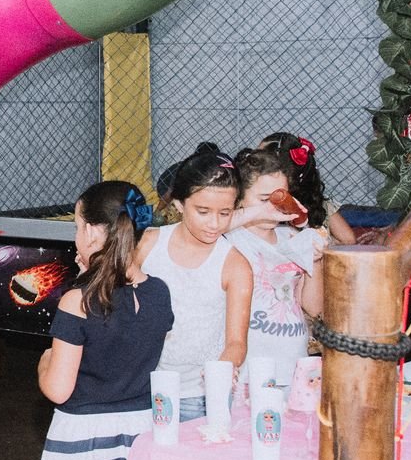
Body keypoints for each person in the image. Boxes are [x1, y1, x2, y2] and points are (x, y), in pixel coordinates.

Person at [32, 181, 172, 460]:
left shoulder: (78, 301)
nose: (76, 236)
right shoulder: (160, 293)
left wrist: (44, 360)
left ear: (94, 233)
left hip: (83, 437)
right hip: (140, 433)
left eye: (78, 226)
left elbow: (57, 389)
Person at [138, 144, 252, 422]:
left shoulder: (235, 265)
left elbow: (237, 342)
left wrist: (223, 370)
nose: (214, 224)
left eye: (225, 213)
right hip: (142, 387)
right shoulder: (149, 244)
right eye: (203, 211)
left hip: (199, 397)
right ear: (179, 204)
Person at [228, 148, 324, 391]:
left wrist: (315, 260)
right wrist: (254, 213)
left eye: (280, 197)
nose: (273, 207)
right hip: (251, 368)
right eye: (264, 199)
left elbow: (313, 306)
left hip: (293, 362)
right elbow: (207, 225)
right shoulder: (230, 239)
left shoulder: (291, 237)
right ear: (240, 198)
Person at [259, 132, 356, 244]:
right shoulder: (256, 202)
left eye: (258, 160)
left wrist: (317, 242)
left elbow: (348, 240)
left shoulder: (317, 203)